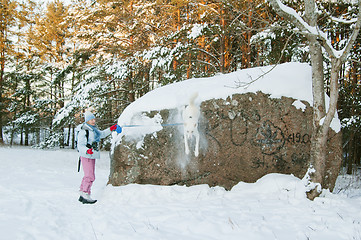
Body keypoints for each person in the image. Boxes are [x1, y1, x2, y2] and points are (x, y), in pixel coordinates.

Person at [77, 111, 118, 204]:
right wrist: (87, 150)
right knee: (90, 176)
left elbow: (102, 134)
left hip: (92, 155)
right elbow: (80, 145)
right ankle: (85, 193)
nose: (93, 121)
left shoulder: (93, 129)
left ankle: (82, 193)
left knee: (88, 175)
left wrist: (111, 128)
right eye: (91, 119)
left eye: (94, 119)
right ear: (87, 121)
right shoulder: (84, 131)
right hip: (86, 155)